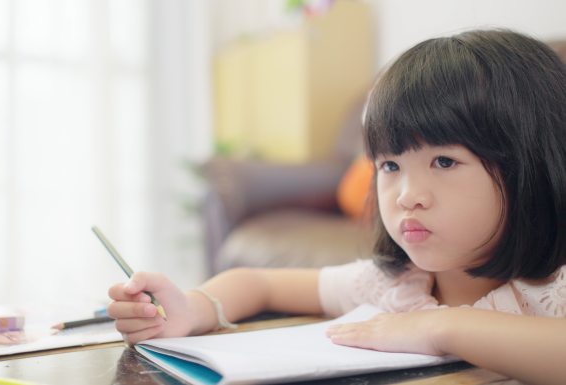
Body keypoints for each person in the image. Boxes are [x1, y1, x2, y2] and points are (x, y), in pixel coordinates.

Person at [107, 29, 566, 385]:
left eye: (444, 161)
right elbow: (258, 283)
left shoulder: (551, 289)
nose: (407, 194)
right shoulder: (399, 287)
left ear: (532, 165)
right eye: (389, 166)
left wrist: (442, 328)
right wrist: (193, 308)